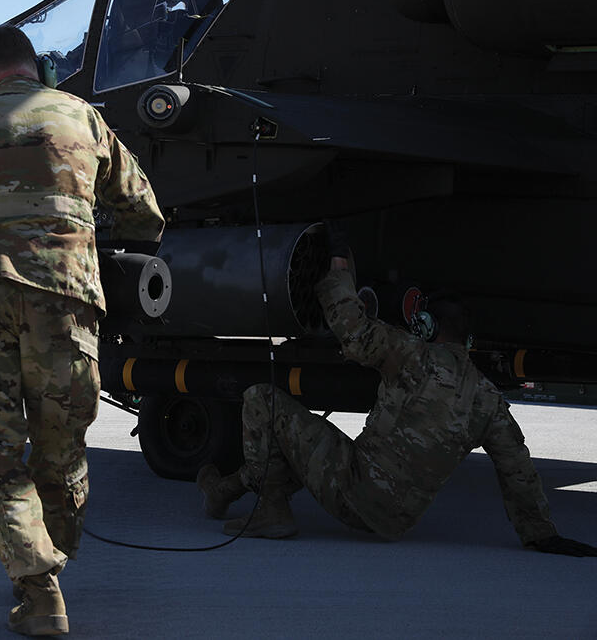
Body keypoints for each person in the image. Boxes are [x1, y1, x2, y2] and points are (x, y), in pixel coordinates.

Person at [0, 25, 165, 636]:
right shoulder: (82, 118)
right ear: (40, 69)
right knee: (62, 446)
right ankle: (51, 565)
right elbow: (144, 211)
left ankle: (37, 590)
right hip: (66, 296)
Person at [197, 224, 597, 557]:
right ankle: (221, 491)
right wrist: (542, 534)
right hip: (395, 521)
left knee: (259, 400)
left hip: (354, 488)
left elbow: (352, 332)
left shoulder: (413, 356)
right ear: (468, 339)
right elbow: (518, 469)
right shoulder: (488, 399)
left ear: (425, 325)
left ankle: (269, 511)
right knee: (303, 447)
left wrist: (337, 270)